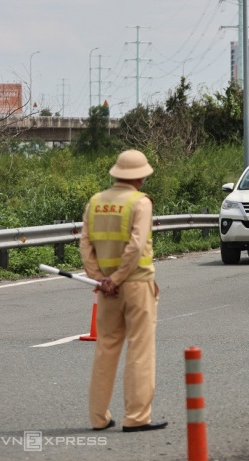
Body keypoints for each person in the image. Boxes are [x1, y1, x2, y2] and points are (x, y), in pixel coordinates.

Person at [79, 150, 167, 433]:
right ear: (140, 176)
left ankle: (98, 417)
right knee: (140, 348)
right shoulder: (140, 203)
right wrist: (117, 278)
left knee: (105, 349)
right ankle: (137, 417)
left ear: (116, 174)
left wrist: (100, 280)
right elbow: (136, 245)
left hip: (106, 290)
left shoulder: (95, 202)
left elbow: (85, 245)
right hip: (136, 284)